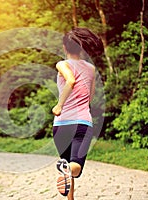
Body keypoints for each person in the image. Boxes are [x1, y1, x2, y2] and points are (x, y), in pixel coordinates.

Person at [52, 27, 104, 200]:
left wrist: (59, 105)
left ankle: (70, 196)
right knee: (76, 166)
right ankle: (66, 174)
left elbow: (71, 80)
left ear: (64, 47)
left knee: (68, 164)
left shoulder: (62, 64)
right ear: (81, 47)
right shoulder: (90, 69)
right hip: (82, 122)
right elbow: (90, 97)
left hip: (60, 124)